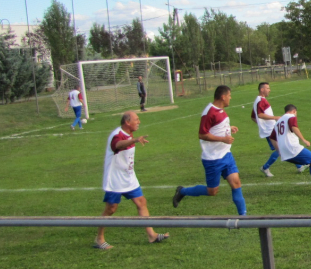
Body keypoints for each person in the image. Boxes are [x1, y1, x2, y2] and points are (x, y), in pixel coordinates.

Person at [95, 111, 169, 250]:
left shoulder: (128, 133)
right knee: (111, 208)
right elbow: (117, 145)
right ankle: (99, 239)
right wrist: (134, 140)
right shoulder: (117, 135)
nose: (139, 121)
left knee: (141, 202)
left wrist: (133, 139)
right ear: (127, 122)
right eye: (136, 119)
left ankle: (151, 235)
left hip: (129, 177)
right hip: (115, 180)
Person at [172, 85, 247, 215]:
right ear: (223, 97)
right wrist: (223, 139)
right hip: (213, 159)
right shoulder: (209, 112)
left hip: (226, 155)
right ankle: (182, 191)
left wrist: (229, 128)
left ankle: (244, 216)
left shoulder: (221, 110)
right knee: (212, 191)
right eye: (229, 95)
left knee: (236, 183)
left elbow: (218, 126)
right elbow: (202, 134)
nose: (230, 98)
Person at [251, 81, 306, 177]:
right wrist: (275, 118)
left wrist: (261, 125)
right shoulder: (261, 101)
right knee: (280, 149)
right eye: (268, 88)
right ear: (262, 89)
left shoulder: (258, 100)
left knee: (282, 148)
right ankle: (265, 167)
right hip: (270, 130)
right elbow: (259, 115)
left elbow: (253, 117)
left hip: (269, 129)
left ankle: (299, 166)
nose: (269, 90)